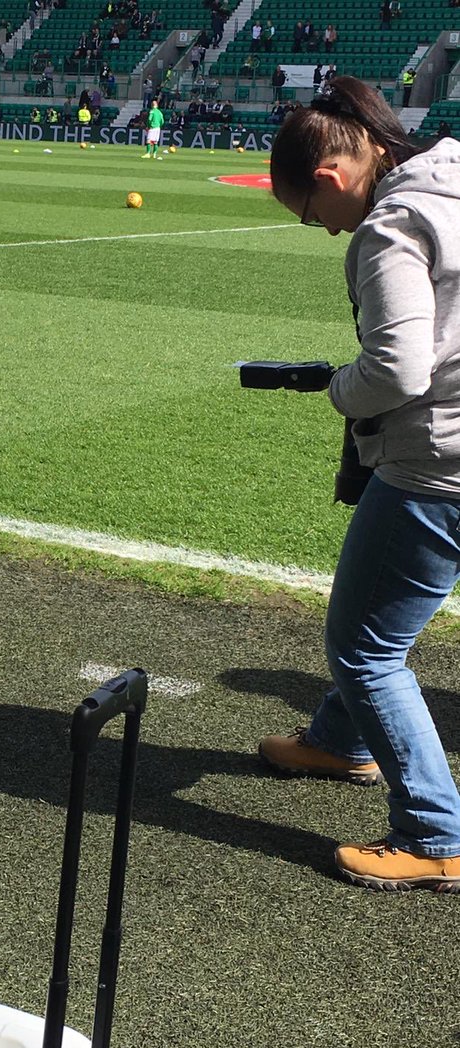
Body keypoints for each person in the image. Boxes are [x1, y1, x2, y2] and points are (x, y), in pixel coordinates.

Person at [259, 76, 460, 892]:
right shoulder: (453, 179)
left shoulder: (389, 226)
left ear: (330, 177)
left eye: (313, 215)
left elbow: (398, 369)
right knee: (385, 618)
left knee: (365, 646)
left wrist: (340, 390)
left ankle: (436, 834)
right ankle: (339, 743)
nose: (325, 229)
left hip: (438, 466)